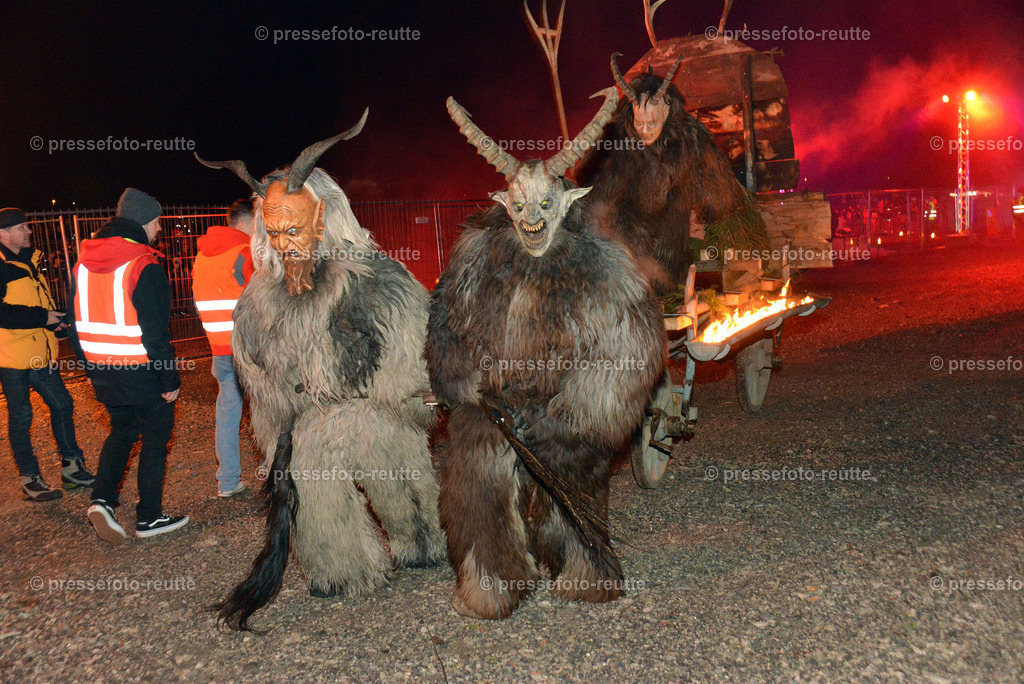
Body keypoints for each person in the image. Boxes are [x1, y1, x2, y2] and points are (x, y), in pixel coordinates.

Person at [69, 189, 188, 543]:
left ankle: (102, 500)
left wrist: (91, 368)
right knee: (155, 437)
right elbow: (155, 332)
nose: (159, 229)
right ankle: (149, 517)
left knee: (121, 432)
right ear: (144, 222)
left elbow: (75, 325)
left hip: (104, 369)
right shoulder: (143, 264)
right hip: (142, 370)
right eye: (157, 222)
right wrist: (169, 379)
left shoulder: (82, 265)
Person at [0, 207, 94, 501]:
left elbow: (36, 302)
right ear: (3, 234)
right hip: (11, 357)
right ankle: (30, 480)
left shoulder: (28, 261)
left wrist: (55, 322)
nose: (29, 231)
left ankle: (72, 469)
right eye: (22, 227)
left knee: (63, 405)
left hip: (40, 352)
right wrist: (44, 317)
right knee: (21, 417)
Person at [191, 199, 254, 498]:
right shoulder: (244, 253)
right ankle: (279, 475)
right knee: (270, 412)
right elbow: (264, 302)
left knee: (228, 414)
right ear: (242, 224)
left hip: (219, 349)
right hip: (250, 350)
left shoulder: (201, 257)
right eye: (257, 225)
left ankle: (227, 481)